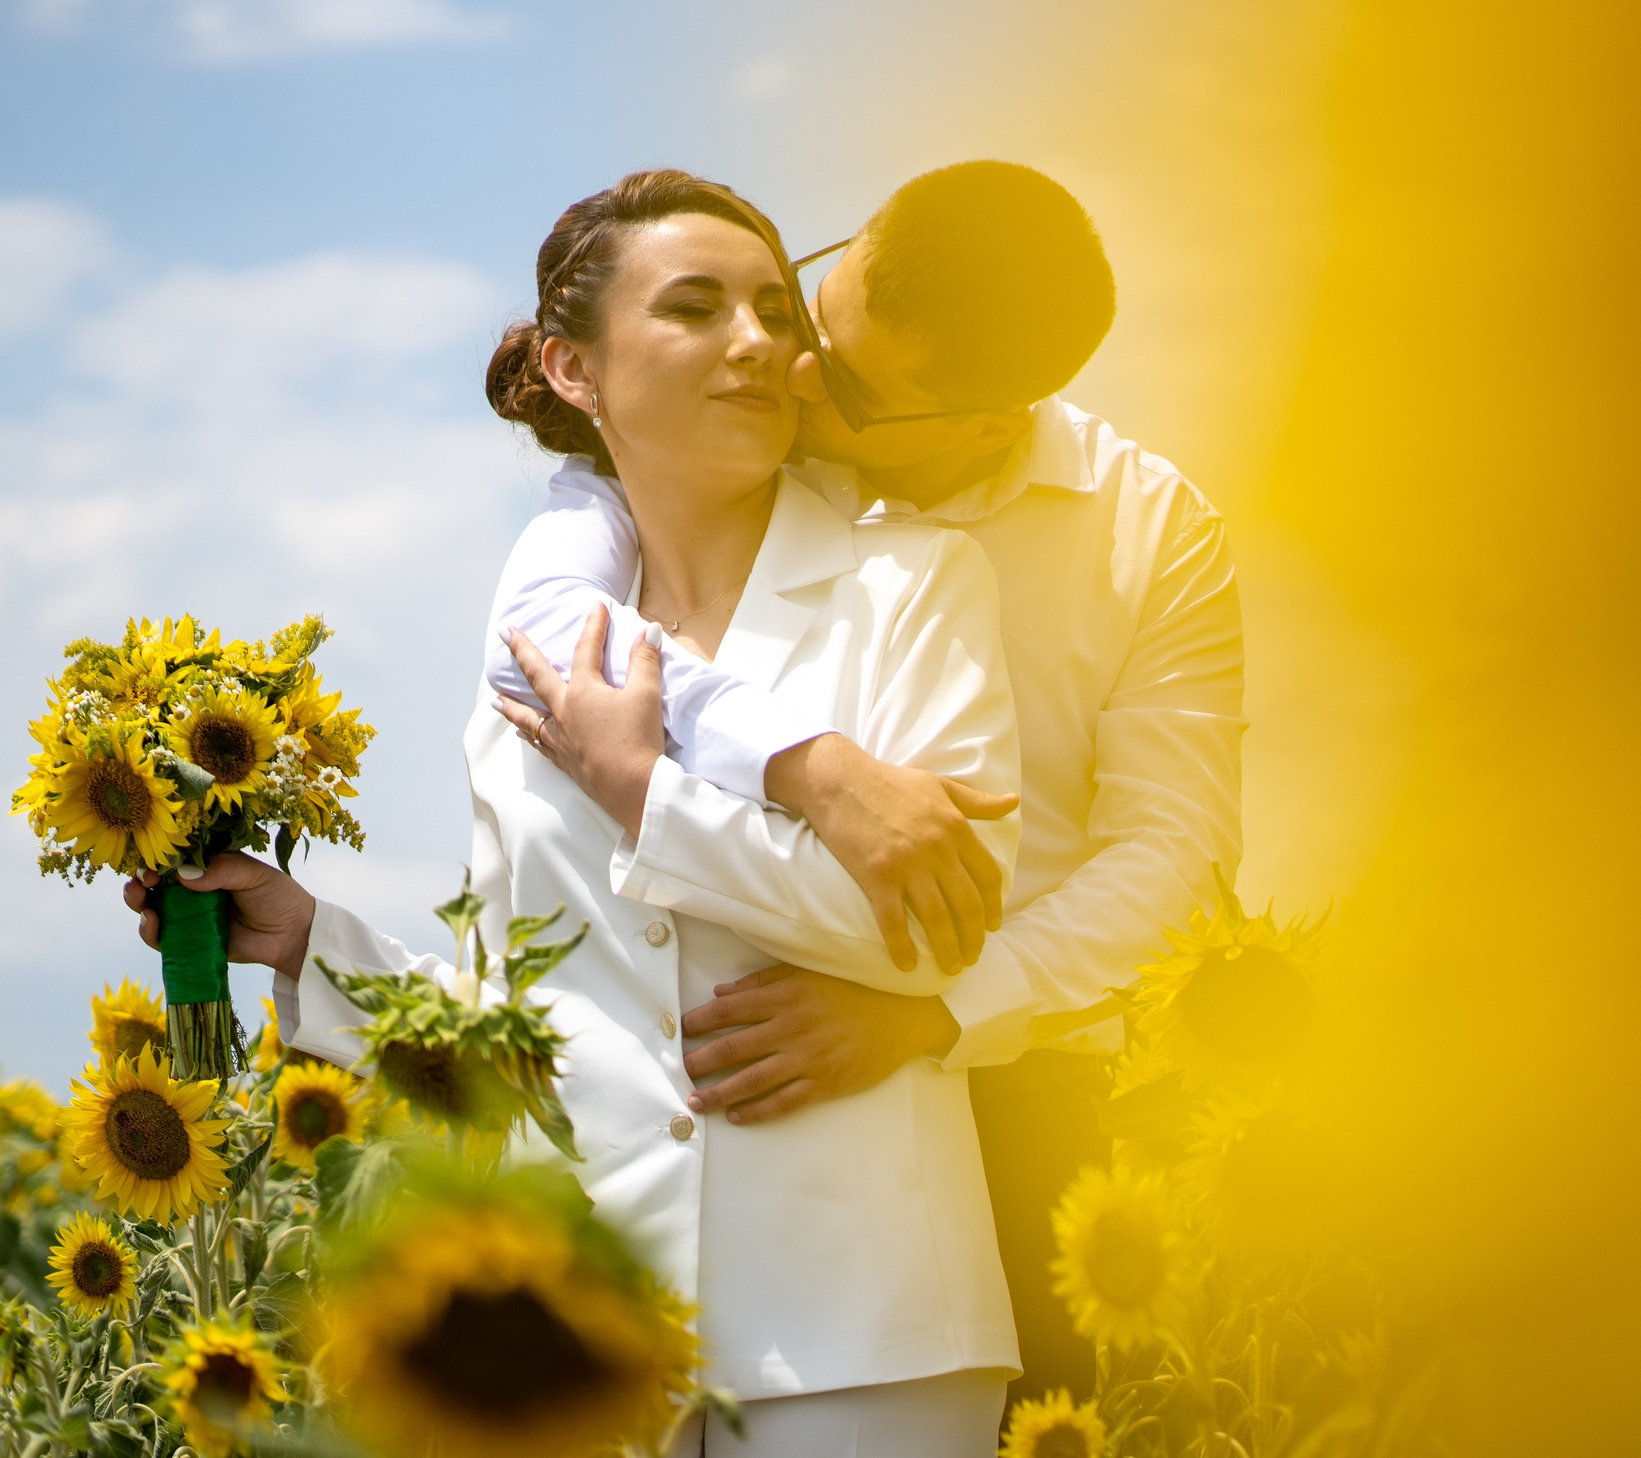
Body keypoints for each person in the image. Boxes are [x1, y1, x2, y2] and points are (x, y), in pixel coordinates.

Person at [125, 169, 1025, 1455]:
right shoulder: (524, 666)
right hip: (581, 1337)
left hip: (866, 1328)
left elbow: (935, 925)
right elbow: (522, 1010)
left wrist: (643, 796)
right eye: (698, 307)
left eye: (776, 307)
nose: (759, 340)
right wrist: (313, 943)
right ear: (572, 366)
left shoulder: (920, 584)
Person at [490, 159, 1247, 1408]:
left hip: (1020, 1085)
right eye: (804, 304)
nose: (780, 367)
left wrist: (937, 1017)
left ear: (986, 422)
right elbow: (560, 616)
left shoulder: (1147, 535)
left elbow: (1171, 861)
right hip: (721, 1076)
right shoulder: (738, 455)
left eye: (832, 376)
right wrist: (817, 770)